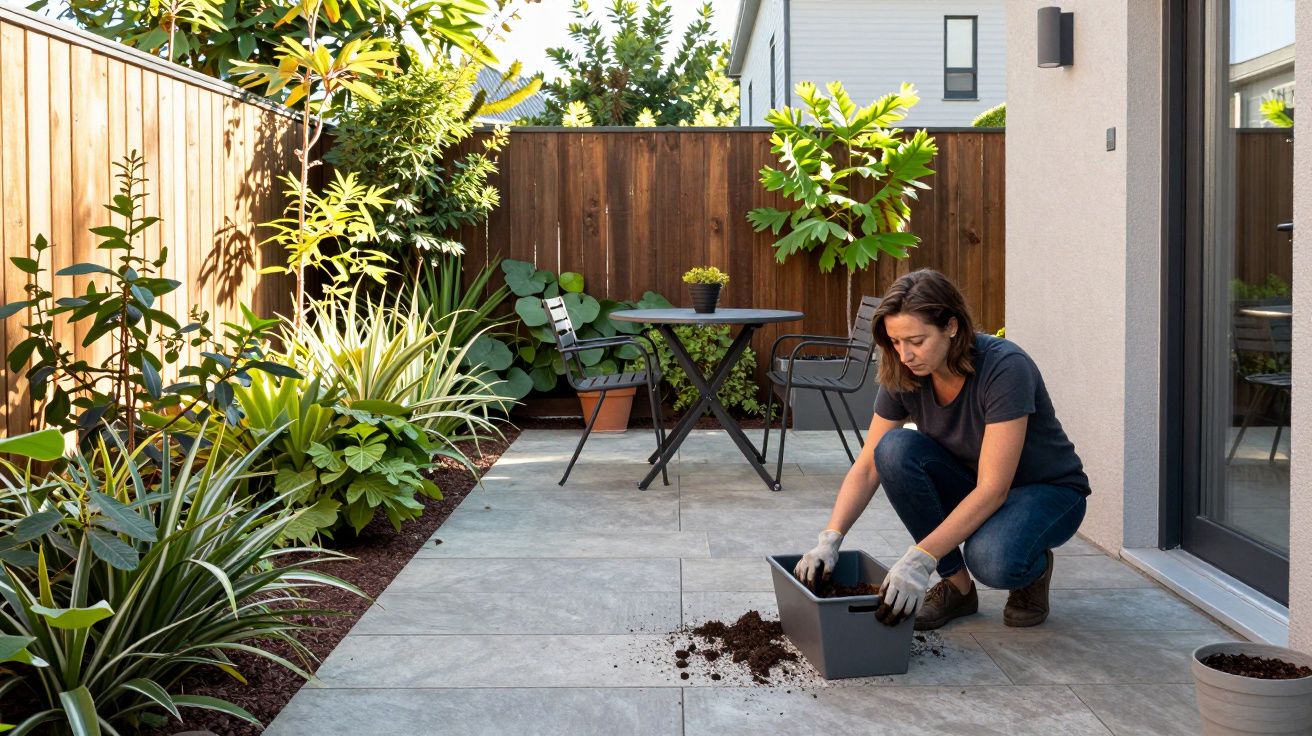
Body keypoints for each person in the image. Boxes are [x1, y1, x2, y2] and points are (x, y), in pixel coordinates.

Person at [794, 269, 1090, 630]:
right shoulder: (904, 371)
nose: (905, 354)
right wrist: (830, 539)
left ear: (951, 326)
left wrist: (920, 559)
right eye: (895, 342)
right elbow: (869, 465)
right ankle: (957, 588)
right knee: (893, 449)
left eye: (916, 341)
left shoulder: (1005, 368)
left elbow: (994, 489)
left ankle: (1032, 570)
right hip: (976, 481)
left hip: (1047, 491)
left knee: (993, 560)